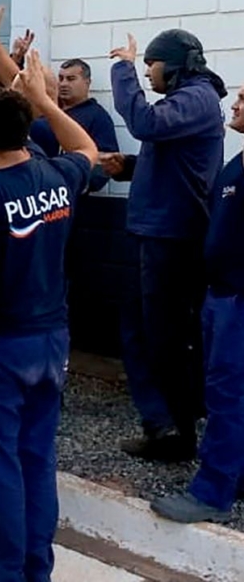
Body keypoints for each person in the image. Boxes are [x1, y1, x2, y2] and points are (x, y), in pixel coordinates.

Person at [0, 51, 96, 582]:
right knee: (35, 459)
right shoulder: (58, 174)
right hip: (50, 340)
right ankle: (34, 569)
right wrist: (44, 100)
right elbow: (87, 148)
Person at [104, 30, 226, 463]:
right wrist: (130, 166)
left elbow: (146, 123)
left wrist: (124, 68)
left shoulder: (198, 97)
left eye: (151, 64)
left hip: (174, 239)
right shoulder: (186, 101)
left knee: (169, 339)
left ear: (173, 64)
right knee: (141, 333)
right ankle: (162, 424)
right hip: (155, 232)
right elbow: (174, 159)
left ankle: (180, 433)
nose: (148, 72)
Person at [151, 84, 244, 524]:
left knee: (230, 395)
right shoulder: (235, 167)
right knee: (220, 389)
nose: (236, 104)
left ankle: (212, 493)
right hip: (218, 296)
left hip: (238, 303)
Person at [28, 58, 119, 192]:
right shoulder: (44, 108)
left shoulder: (97, 117)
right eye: (61, 78)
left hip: (69, 196)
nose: (63, 84)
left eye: (71, 79)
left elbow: (106, 163)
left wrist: (78, 184)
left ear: (87, 82)